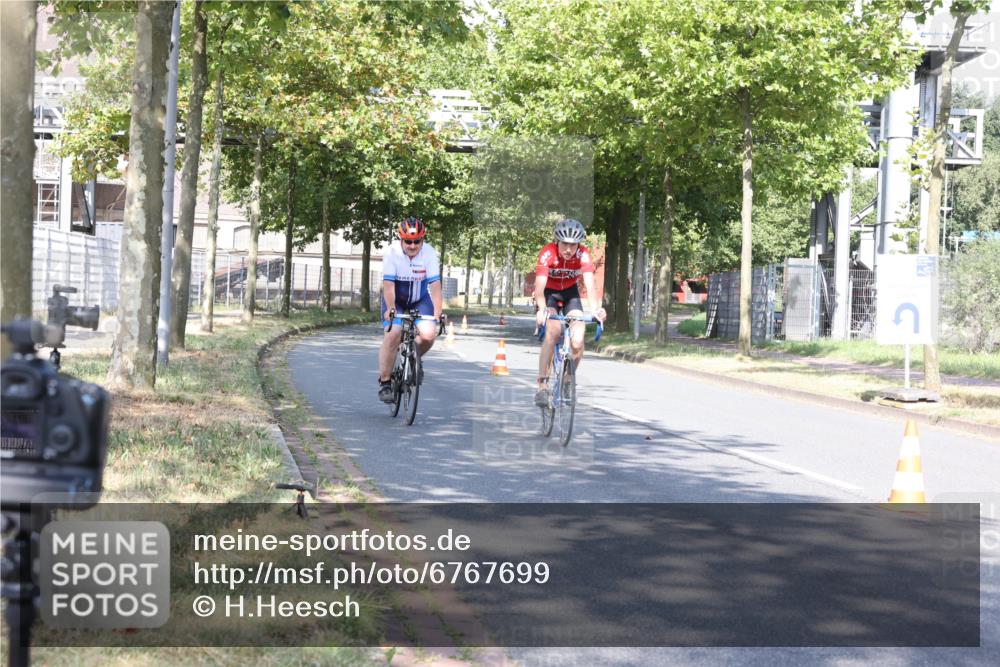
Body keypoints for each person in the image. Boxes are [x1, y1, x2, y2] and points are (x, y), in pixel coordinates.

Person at [533, 218, 607, 407]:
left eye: (573, 245)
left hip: (570, 294)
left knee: (578, 338)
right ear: (557, 241)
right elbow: (539, 289)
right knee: (553, 330)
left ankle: (567, 379)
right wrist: (542, 310)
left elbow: (590, 286)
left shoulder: (583, 254)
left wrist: (596, 309)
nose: (568, 249)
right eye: (564, 243)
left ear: (579, 245)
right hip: (549, 294)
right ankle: (542, 385)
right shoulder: (547, 253)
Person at [377, 217, 443, 403]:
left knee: (429, 334)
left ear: (423, 240)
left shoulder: (429, 253)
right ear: (401, 239)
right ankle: (385, 382)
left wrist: (438, 312)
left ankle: (414, 359)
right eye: (408, 241)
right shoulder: (392, 252)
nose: (412, 246)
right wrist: (390, 308)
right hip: (396, 300)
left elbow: (435, 285)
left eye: (417, 242)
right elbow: (388, 285)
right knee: (393, 334)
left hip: (419, 300)